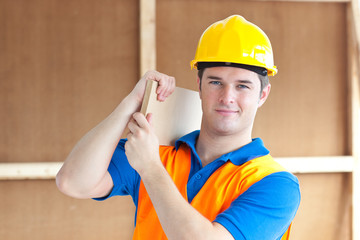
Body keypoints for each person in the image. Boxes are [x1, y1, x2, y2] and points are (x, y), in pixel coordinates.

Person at [56, 15, 300, 240]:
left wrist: (150, 169)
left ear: (263, 94)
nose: (227, 97)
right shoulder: (157, 150)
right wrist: (130, 103)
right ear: (200, 86)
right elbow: (72, 182)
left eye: (243, 86)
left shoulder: (275, 184)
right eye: (216, 82)